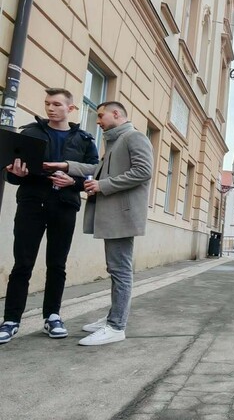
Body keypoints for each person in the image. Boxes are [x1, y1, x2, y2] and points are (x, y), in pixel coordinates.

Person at [44, 101, 153, 346]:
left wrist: (102, 185)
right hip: (114, 214)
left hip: (123, 215)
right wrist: (67, 166)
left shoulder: (134, 137)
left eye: (101, 115)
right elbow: (99, 168)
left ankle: (116, 327)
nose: (98, 121)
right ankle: (113, 318)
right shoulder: (116, 141)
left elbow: (143, 171)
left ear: (117, 114)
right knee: (115, 269)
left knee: (121, 271)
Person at [0, 88, 99, 345]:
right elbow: (10, 173)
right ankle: (11, 320)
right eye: (47, 103)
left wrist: (73, 182)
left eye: (56, 104)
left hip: (64, 206)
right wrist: (16, 173)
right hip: (31, 205)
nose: (51, 108)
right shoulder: (30, 132)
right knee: (22, 263)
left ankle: (52, 316)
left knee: (57, 265)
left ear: (71, 108)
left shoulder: (85, 141)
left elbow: (93, 177)